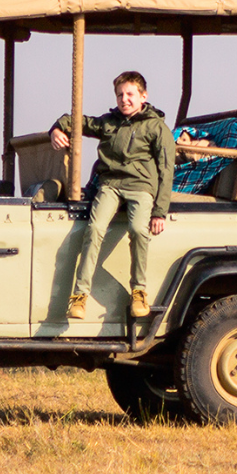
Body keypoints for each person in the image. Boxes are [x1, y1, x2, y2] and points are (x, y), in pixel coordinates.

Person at [50, 71, 175, 321]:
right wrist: (56, 129)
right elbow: (77, 121)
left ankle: (139, 291)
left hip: (141, 187)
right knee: (94, 228)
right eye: (120, 94)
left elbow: (166, 169)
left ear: (143, 96)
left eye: (130, 94)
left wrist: (160, 211)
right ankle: (79, 296)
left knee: (139, 229)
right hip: (111, 185)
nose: (124, 99)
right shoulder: (109, 122)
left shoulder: (156, 127)